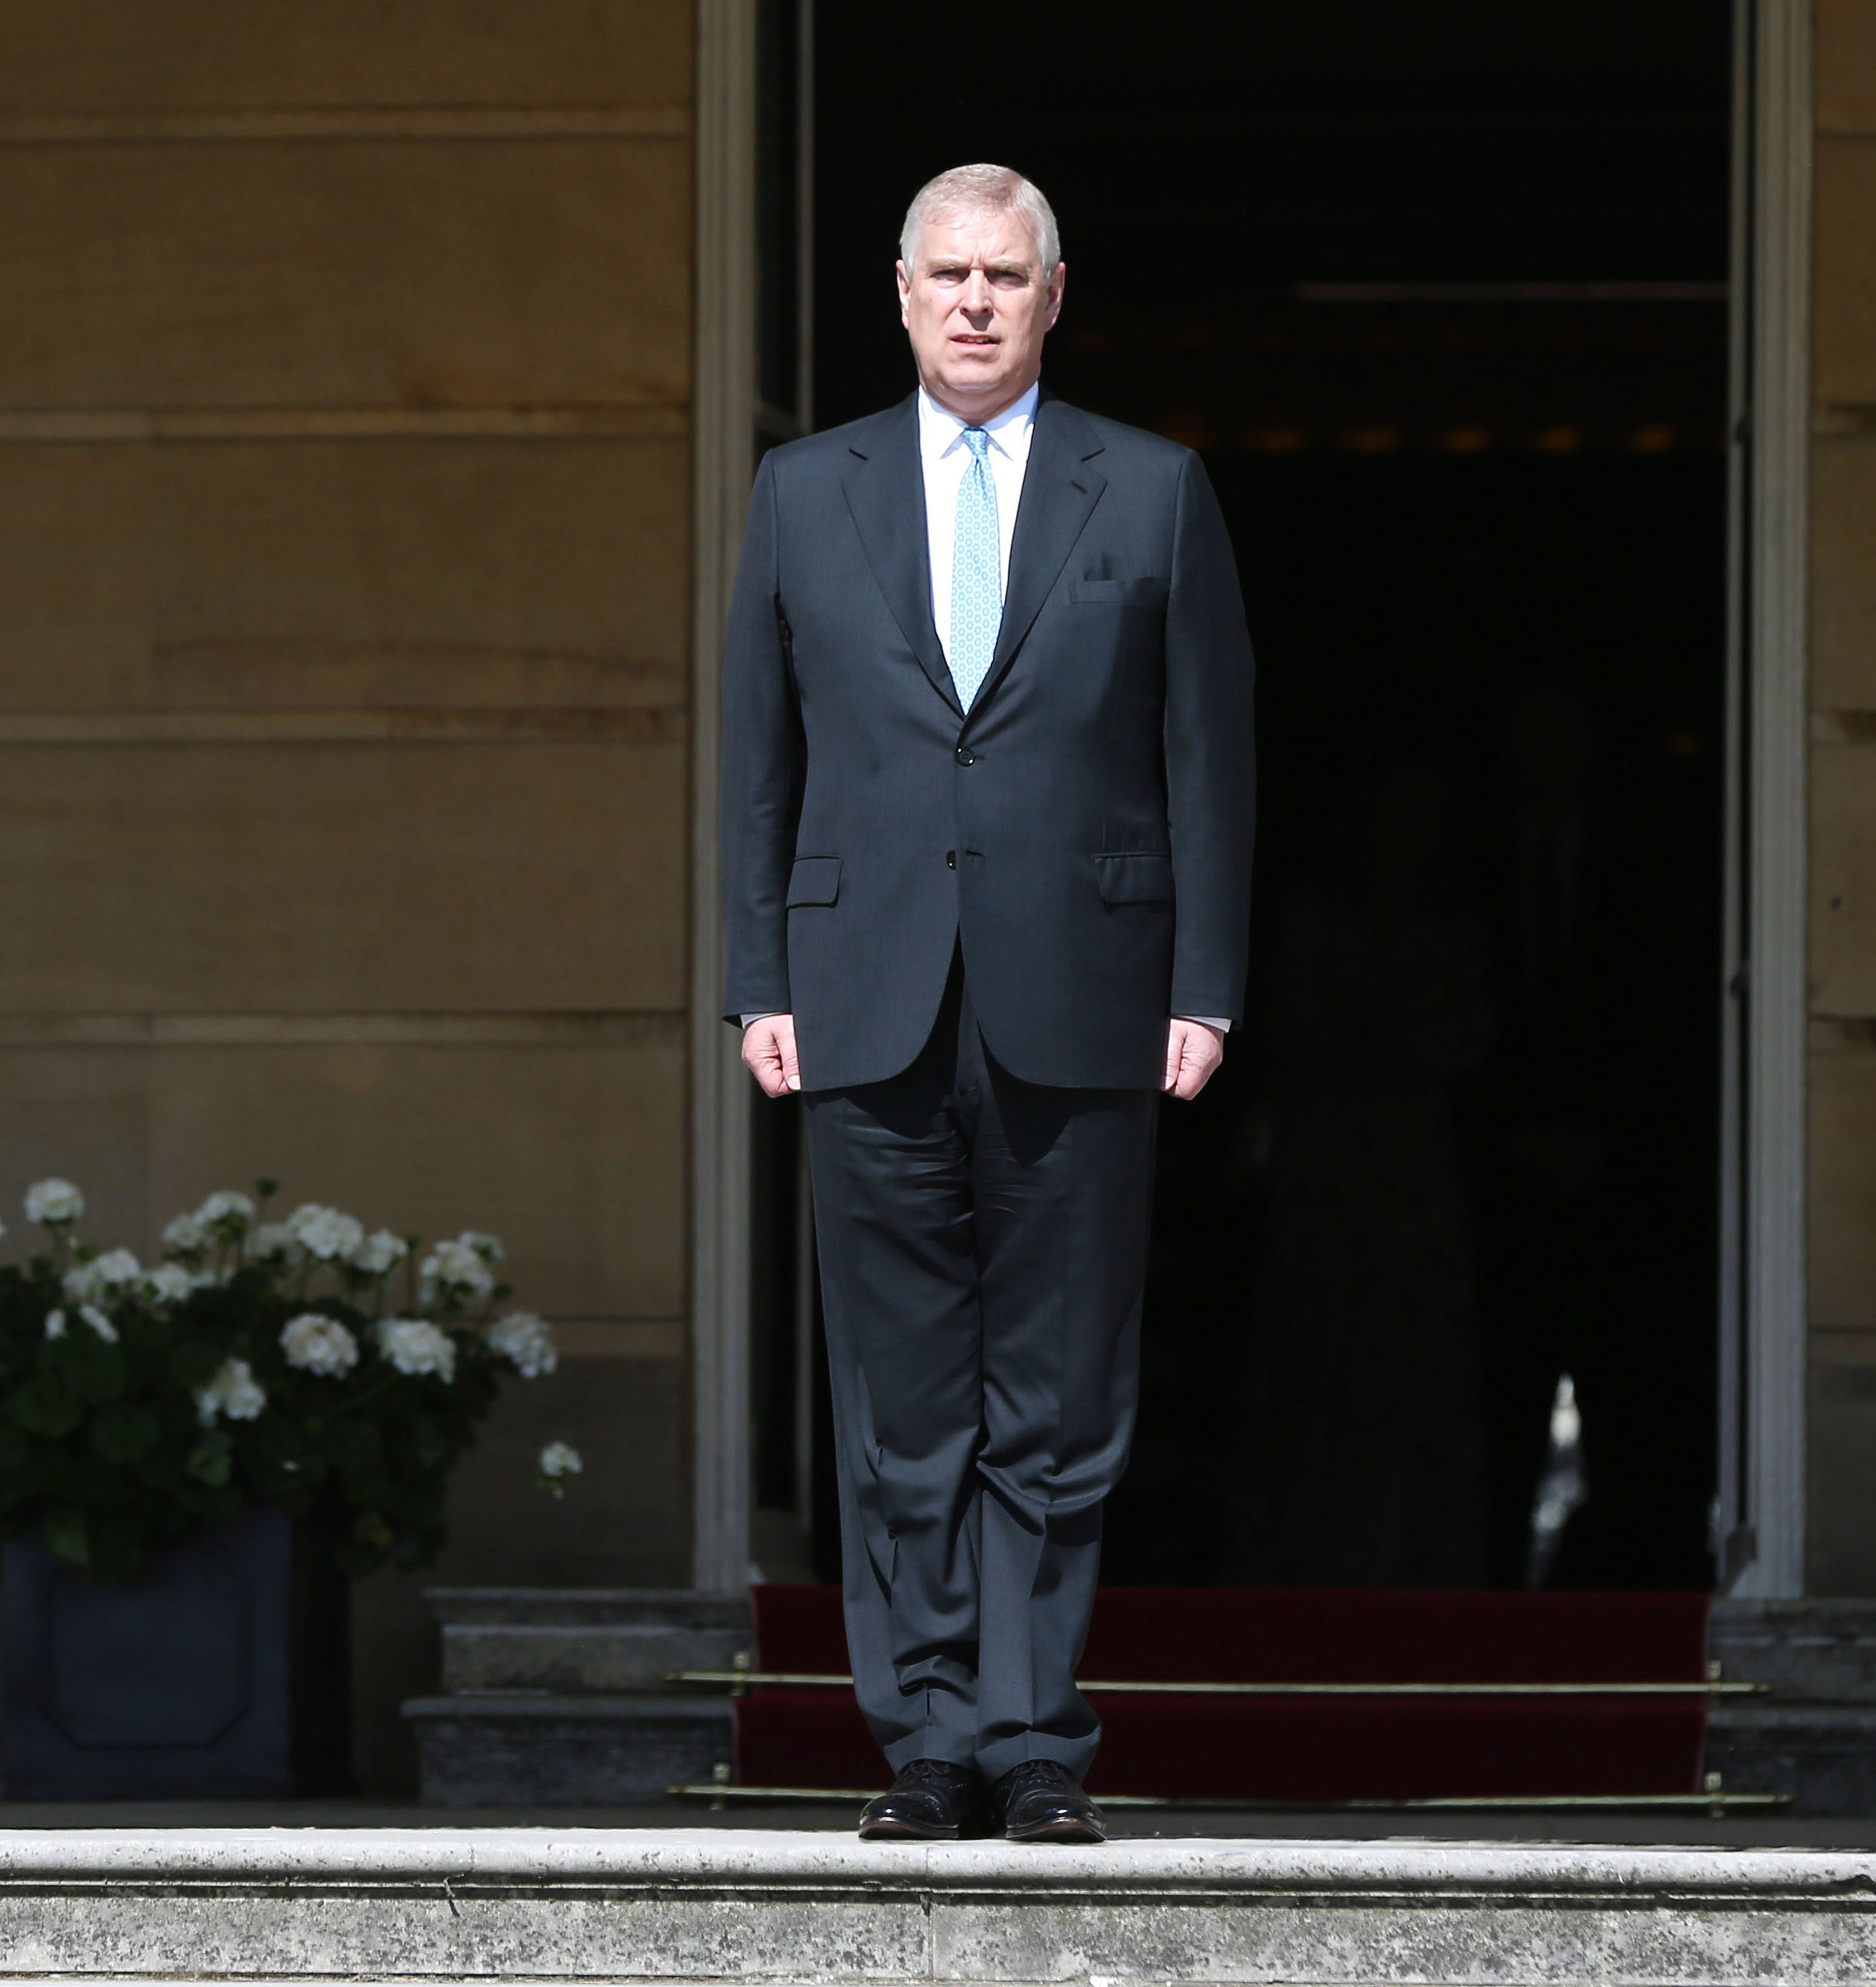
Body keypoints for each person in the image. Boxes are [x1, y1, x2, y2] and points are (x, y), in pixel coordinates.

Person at [720, 165, 1254, 1843]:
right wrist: (756, 977)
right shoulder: (803, 491)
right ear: (897, 293)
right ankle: (926, 1741)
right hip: (857, 989)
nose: (970, 301)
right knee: (898, 1406)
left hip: (1085, 994)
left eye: (1000, 277)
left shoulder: (1153, 491)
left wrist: (1206, 989)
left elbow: (1207, 761)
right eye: (944, 273)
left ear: (1051, 294)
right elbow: (757, 761)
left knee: (1057, 1394)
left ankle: (1031, 1742)